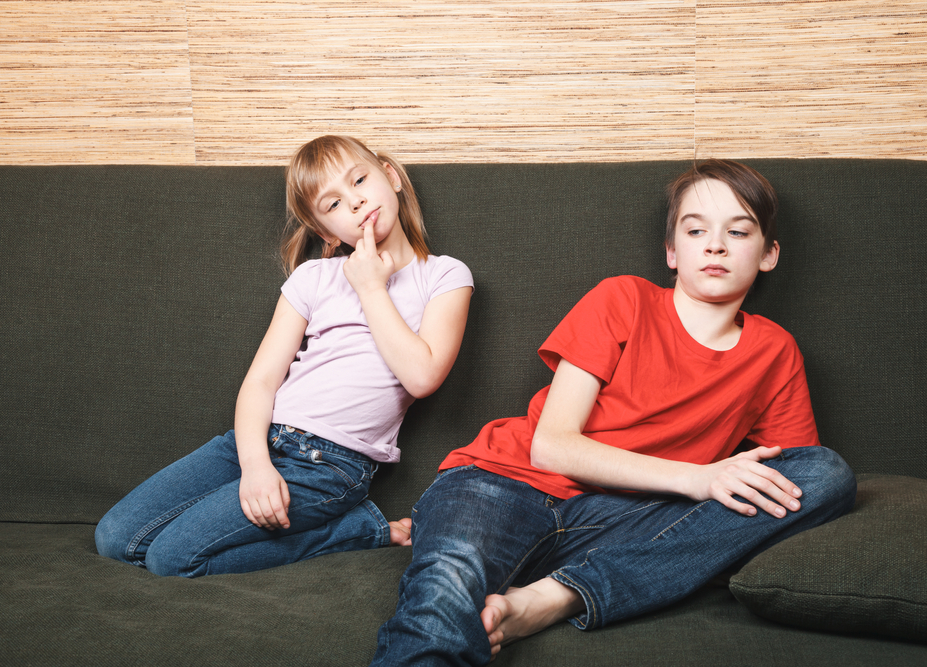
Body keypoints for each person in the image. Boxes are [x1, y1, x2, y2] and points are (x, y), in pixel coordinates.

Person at [371, 159, 857, 666]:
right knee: (446, 589)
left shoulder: (775, 351)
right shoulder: (624, 299)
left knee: (825, 473)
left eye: (738, 231)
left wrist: (708, 493)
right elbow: (552, 445)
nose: (716, 245)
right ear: (672, 252)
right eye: (696, 231)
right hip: (502, 485)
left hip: (631, 521)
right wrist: (699, 478)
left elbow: (794, 480)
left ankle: (556, 596)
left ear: (769, 254)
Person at [95, 135, 474, 578]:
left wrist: (371, 286)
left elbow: (422, 376)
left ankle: (360, 530)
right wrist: (255, 463)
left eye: (359, 180)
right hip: (256, 440)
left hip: (330, 464)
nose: (354, 203)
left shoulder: (445, 275)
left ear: (390, 176)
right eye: (332, 204)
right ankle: (318, 510)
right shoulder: (314, 277)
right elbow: (260, 382)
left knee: (170, 558)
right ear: (327, 234)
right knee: (115, 539)